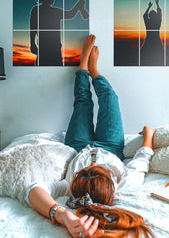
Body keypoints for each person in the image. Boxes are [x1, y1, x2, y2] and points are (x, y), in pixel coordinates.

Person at [25, 35, 155, 238]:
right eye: (99, 170)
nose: (93, 166)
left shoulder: (69, 188)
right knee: (110, 98)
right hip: (111, 146)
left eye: (85, 171)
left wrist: (61, 215)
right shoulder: (124, 184)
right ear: (111, 187)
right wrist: (149, 135)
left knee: (83, 101)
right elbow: (141, 160)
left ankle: (84, 64)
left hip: (78, 146)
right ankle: (94, 72)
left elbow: (34, 189)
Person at [30, 0, 89, 66]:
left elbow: (70, 15)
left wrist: (78, 6)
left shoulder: (52, 11)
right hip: (45, 46)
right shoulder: (38, 10)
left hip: (54, 47)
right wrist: (78, 6)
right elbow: (33, 27)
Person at [141, 0, 164, 66]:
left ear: (150, 16)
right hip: (156, 41)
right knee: (159, 58)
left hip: (148, 42)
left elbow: (144, 15)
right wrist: (157, 4)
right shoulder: (158, 23)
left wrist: (149, 7)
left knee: (146, 58)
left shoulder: (148, 23)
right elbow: (159, 13)